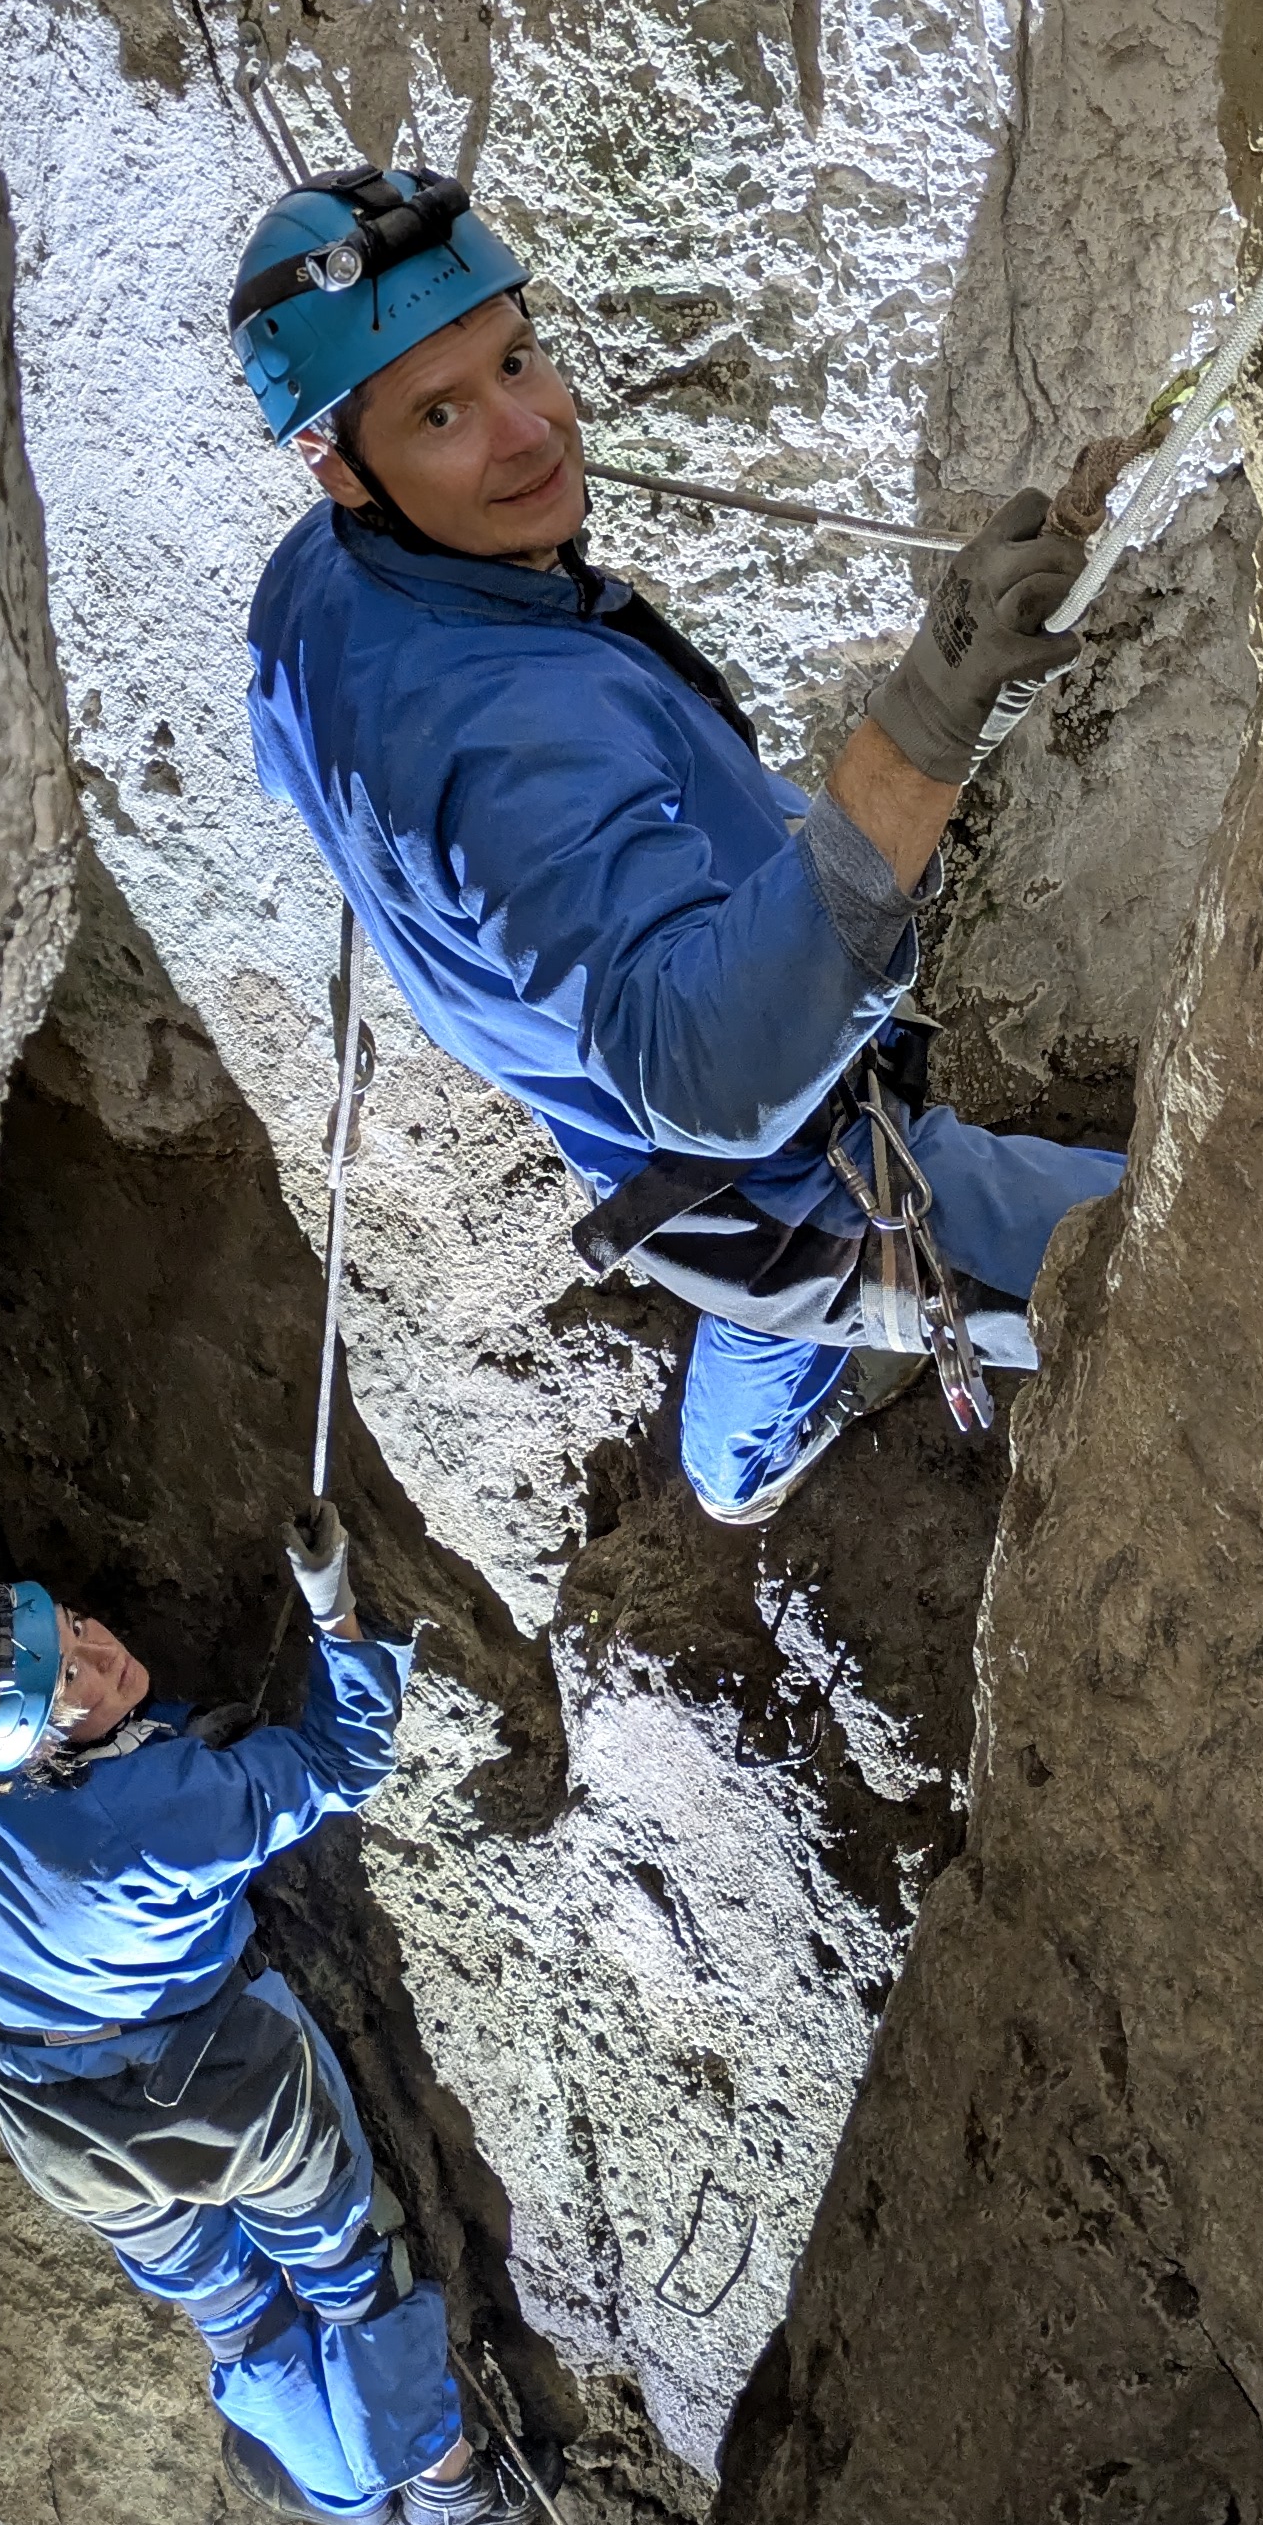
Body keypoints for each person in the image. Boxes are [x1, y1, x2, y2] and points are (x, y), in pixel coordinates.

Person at [232, 164, 1126, 1522]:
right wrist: (932, 719)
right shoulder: (519, 743)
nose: (529, 432)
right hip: (776, 1164)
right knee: (1163, 1253)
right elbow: (710, 1081)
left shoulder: (317, 583)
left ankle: (745, 1436)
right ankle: (738, 1476)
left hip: (642, 1136)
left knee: (758, 1298)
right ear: (338, 465)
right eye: (441, 412)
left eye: (516, 359)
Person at [0, 1510, 531, 2525]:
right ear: (32, 1739)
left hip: (52, 2114)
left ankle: (341, 2494)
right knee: (351, 2271)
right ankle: (439, 2497)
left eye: (76, 1627)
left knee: (234, 2308)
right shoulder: (165, 1802)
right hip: (222, 2084)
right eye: (70, 1677)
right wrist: (335, 1612)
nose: (103, 1655)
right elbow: (344, 1761)